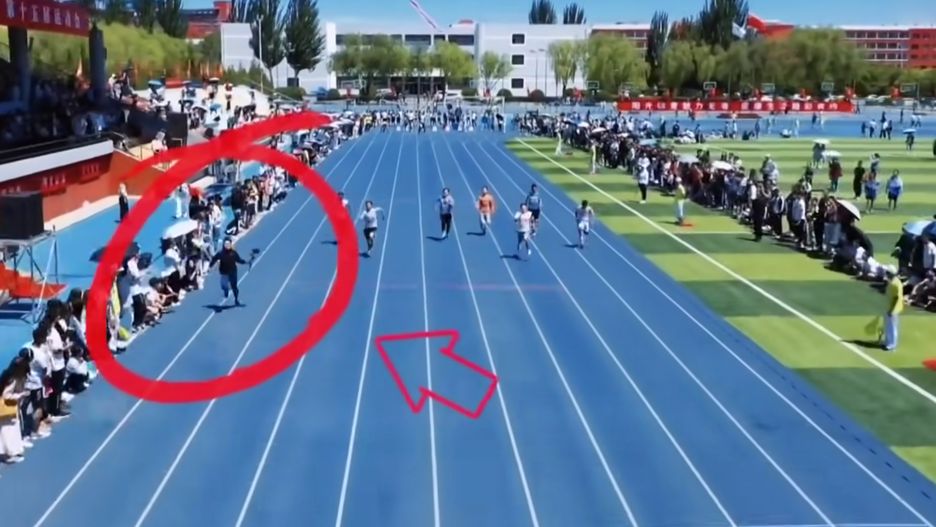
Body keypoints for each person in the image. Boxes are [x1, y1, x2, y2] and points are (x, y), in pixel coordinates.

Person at [209, 237, 248, 306]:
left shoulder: (234, 253)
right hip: (224, 272)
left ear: (230, 244)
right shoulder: (220, 253)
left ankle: (236, 299)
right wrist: (210, 266)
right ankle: (226, 290)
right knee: (223, 286)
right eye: (226, 244)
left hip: (233, 272)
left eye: (228, 244)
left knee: (234, 287)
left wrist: (245, 262)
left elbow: (239, 260)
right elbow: (214, 259)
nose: (227, 245)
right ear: (223, 245)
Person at [882, 265, 903, 352]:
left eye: (887, 272)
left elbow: (896, 298)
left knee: (892, 327)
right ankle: (887, 342)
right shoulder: (893, 281)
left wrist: (891, 310)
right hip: (889, 306)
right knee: (887, 325)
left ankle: (892, 344)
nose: (886, 273)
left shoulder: (895, 283)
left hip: (893, 309)